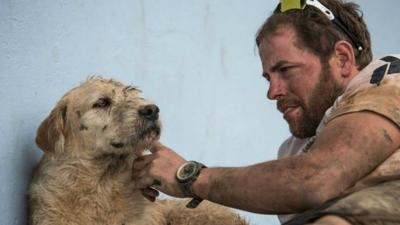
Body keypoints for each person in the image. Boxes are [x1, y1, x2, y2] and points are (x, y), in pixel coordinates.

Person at [132, 0, 400, 224]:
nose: (272, 92)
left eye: (285, 70)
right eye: (267, 77)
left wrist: (189, 176)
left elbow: (314, 179)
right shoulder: (297, 149)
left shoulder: (389, 84)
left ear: (342, 59)